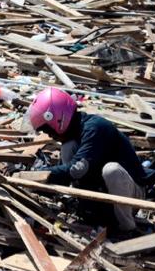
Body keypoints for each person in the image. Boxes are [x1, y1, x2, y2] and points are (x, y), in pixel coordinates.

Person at [15, 88, 148, 234]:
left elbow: (76, 169)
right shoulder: (74, 135)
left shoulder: (95, 128)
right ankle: (87, 210)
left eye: (48, 130)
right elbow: (65, 175)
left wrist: (36, 175)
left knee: (112, 170)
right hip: (103, 190)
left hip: (132, 194)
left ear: (60, 119)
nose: (50, 136)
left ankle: (126, 228)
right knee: (68, 147)